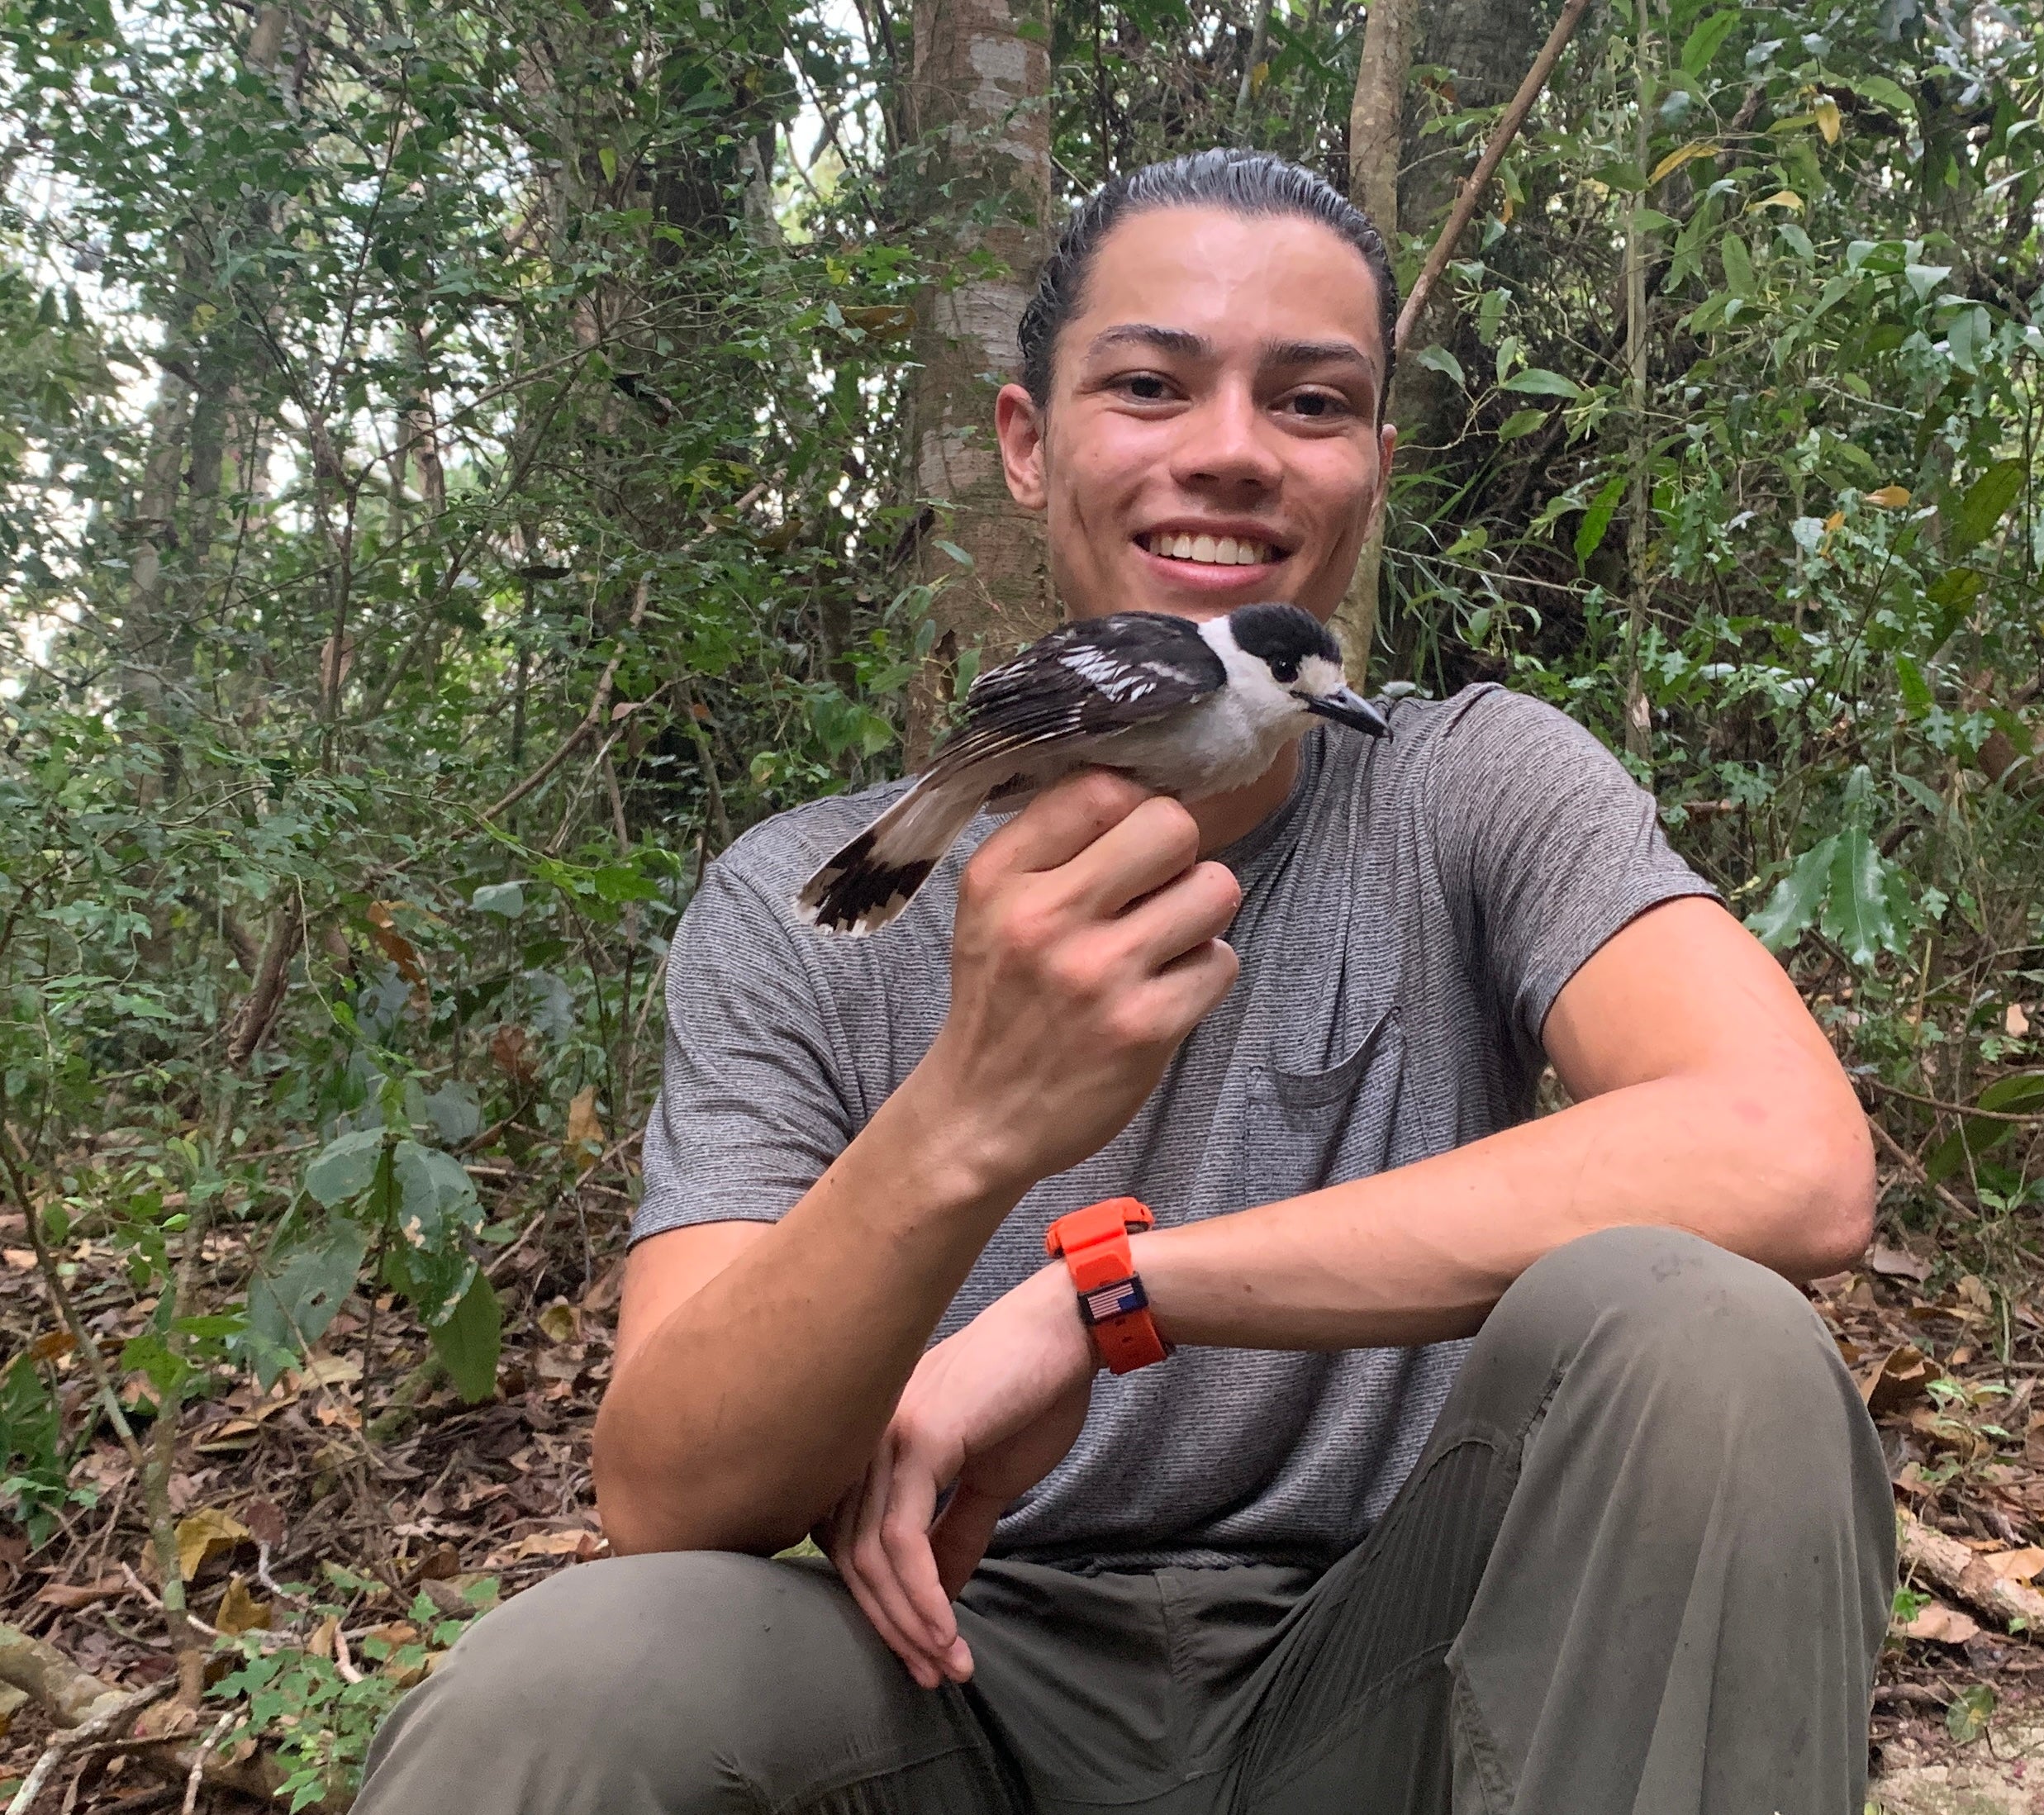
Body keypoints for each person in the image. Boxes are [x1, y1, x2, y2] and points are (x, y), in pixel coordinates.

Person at [357, 150, 1893, 1815]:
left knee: (1715, 1345)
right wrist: (964, 1118)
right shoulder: (796, 902)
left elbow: (1787, 1156)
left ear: (1373, 462)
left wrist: (1112, 1292)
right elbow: (667, 1487)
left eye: (1310, 402)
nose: (1229, 451)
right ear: (1029, 443)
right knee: (559, 1697)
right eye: (1152, 384)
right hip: (945, 1669)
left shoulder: (1468, 786)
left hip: (1397, 1657)